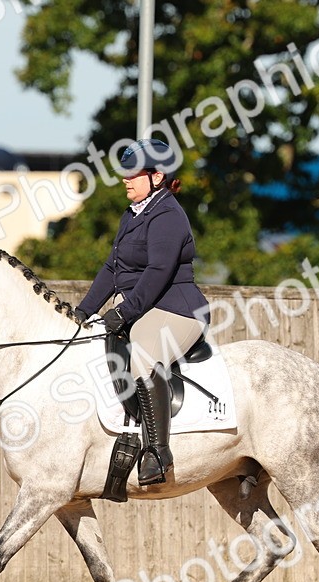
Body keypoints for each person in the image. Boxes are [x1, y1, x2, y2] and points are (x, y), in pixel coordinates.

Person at [74, 139, 209, 486]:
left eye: (134, 173)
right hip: (148, 305)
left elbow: (158, 271)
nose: (126, 179)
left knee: (144, 353)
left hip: (178, 309)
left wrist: (125, 312)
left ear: (158, 175)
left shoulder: (168, 215)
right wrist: (83, 311)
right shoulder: (133, 214)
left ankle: (158, 454)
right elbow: (112, 267)